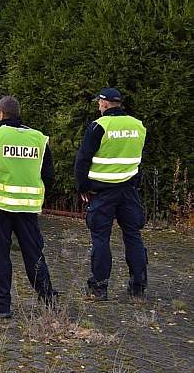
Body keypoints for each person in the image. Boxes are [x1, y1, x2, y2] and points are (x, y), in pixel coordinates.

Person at [0, 96, 57, 318]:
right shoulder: (39, 139)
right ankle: (48, 299)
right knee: (34, 254)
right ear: (18, 113)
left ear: (0, 113)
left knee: (0, 255)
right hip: (27, 209)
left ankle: (1, 306)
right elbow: (48, 175)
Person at [74, 88, 147, 301]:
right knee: (133, 236)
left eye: (99, 102)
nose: (98, 106)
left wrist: (83, 187)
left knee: (101, 238)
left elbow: (83, 159)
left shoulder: (98, 126)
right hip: (129, 191)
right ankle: (138, 288)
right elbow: (138, 157)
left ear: (105, 104)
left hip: (103, 192)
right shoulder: (138, 126)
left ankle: (99, 287)